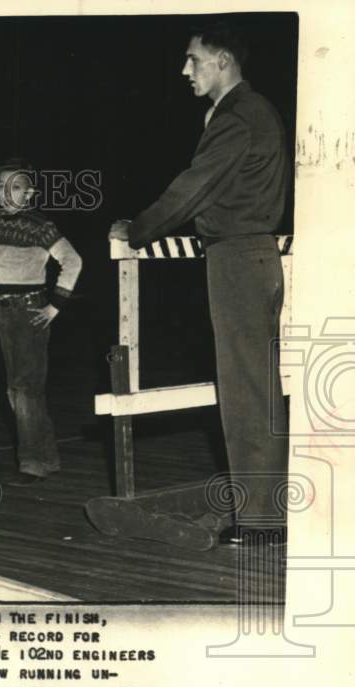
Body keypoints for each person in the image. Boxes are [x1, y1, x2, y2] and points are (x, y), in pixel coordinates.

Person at [109, 22, 289, 547]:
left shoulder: (238, 117)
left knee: (245, 393)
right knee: (256, 388)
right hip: (250, 255)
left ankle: (262, 521)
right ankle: (266, 511)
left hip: (238, 259)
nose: (184, 69)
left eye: (194, 59)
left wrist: (135, 230)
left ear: (224, 60)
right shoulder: (251, 112)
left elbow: (191, 189)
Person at [0, 159, 83, 482]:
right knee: (16, 390)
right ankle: (47, 457)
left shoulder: (39, 225)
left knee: (26, 389)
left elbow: (73, 260)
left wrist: (55, 306)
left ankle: (32, 462)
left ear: (29, 194)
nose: (6, 193)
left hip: (30, 312)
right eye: (0, 186)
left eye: (15, 187)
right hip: (4, 311)